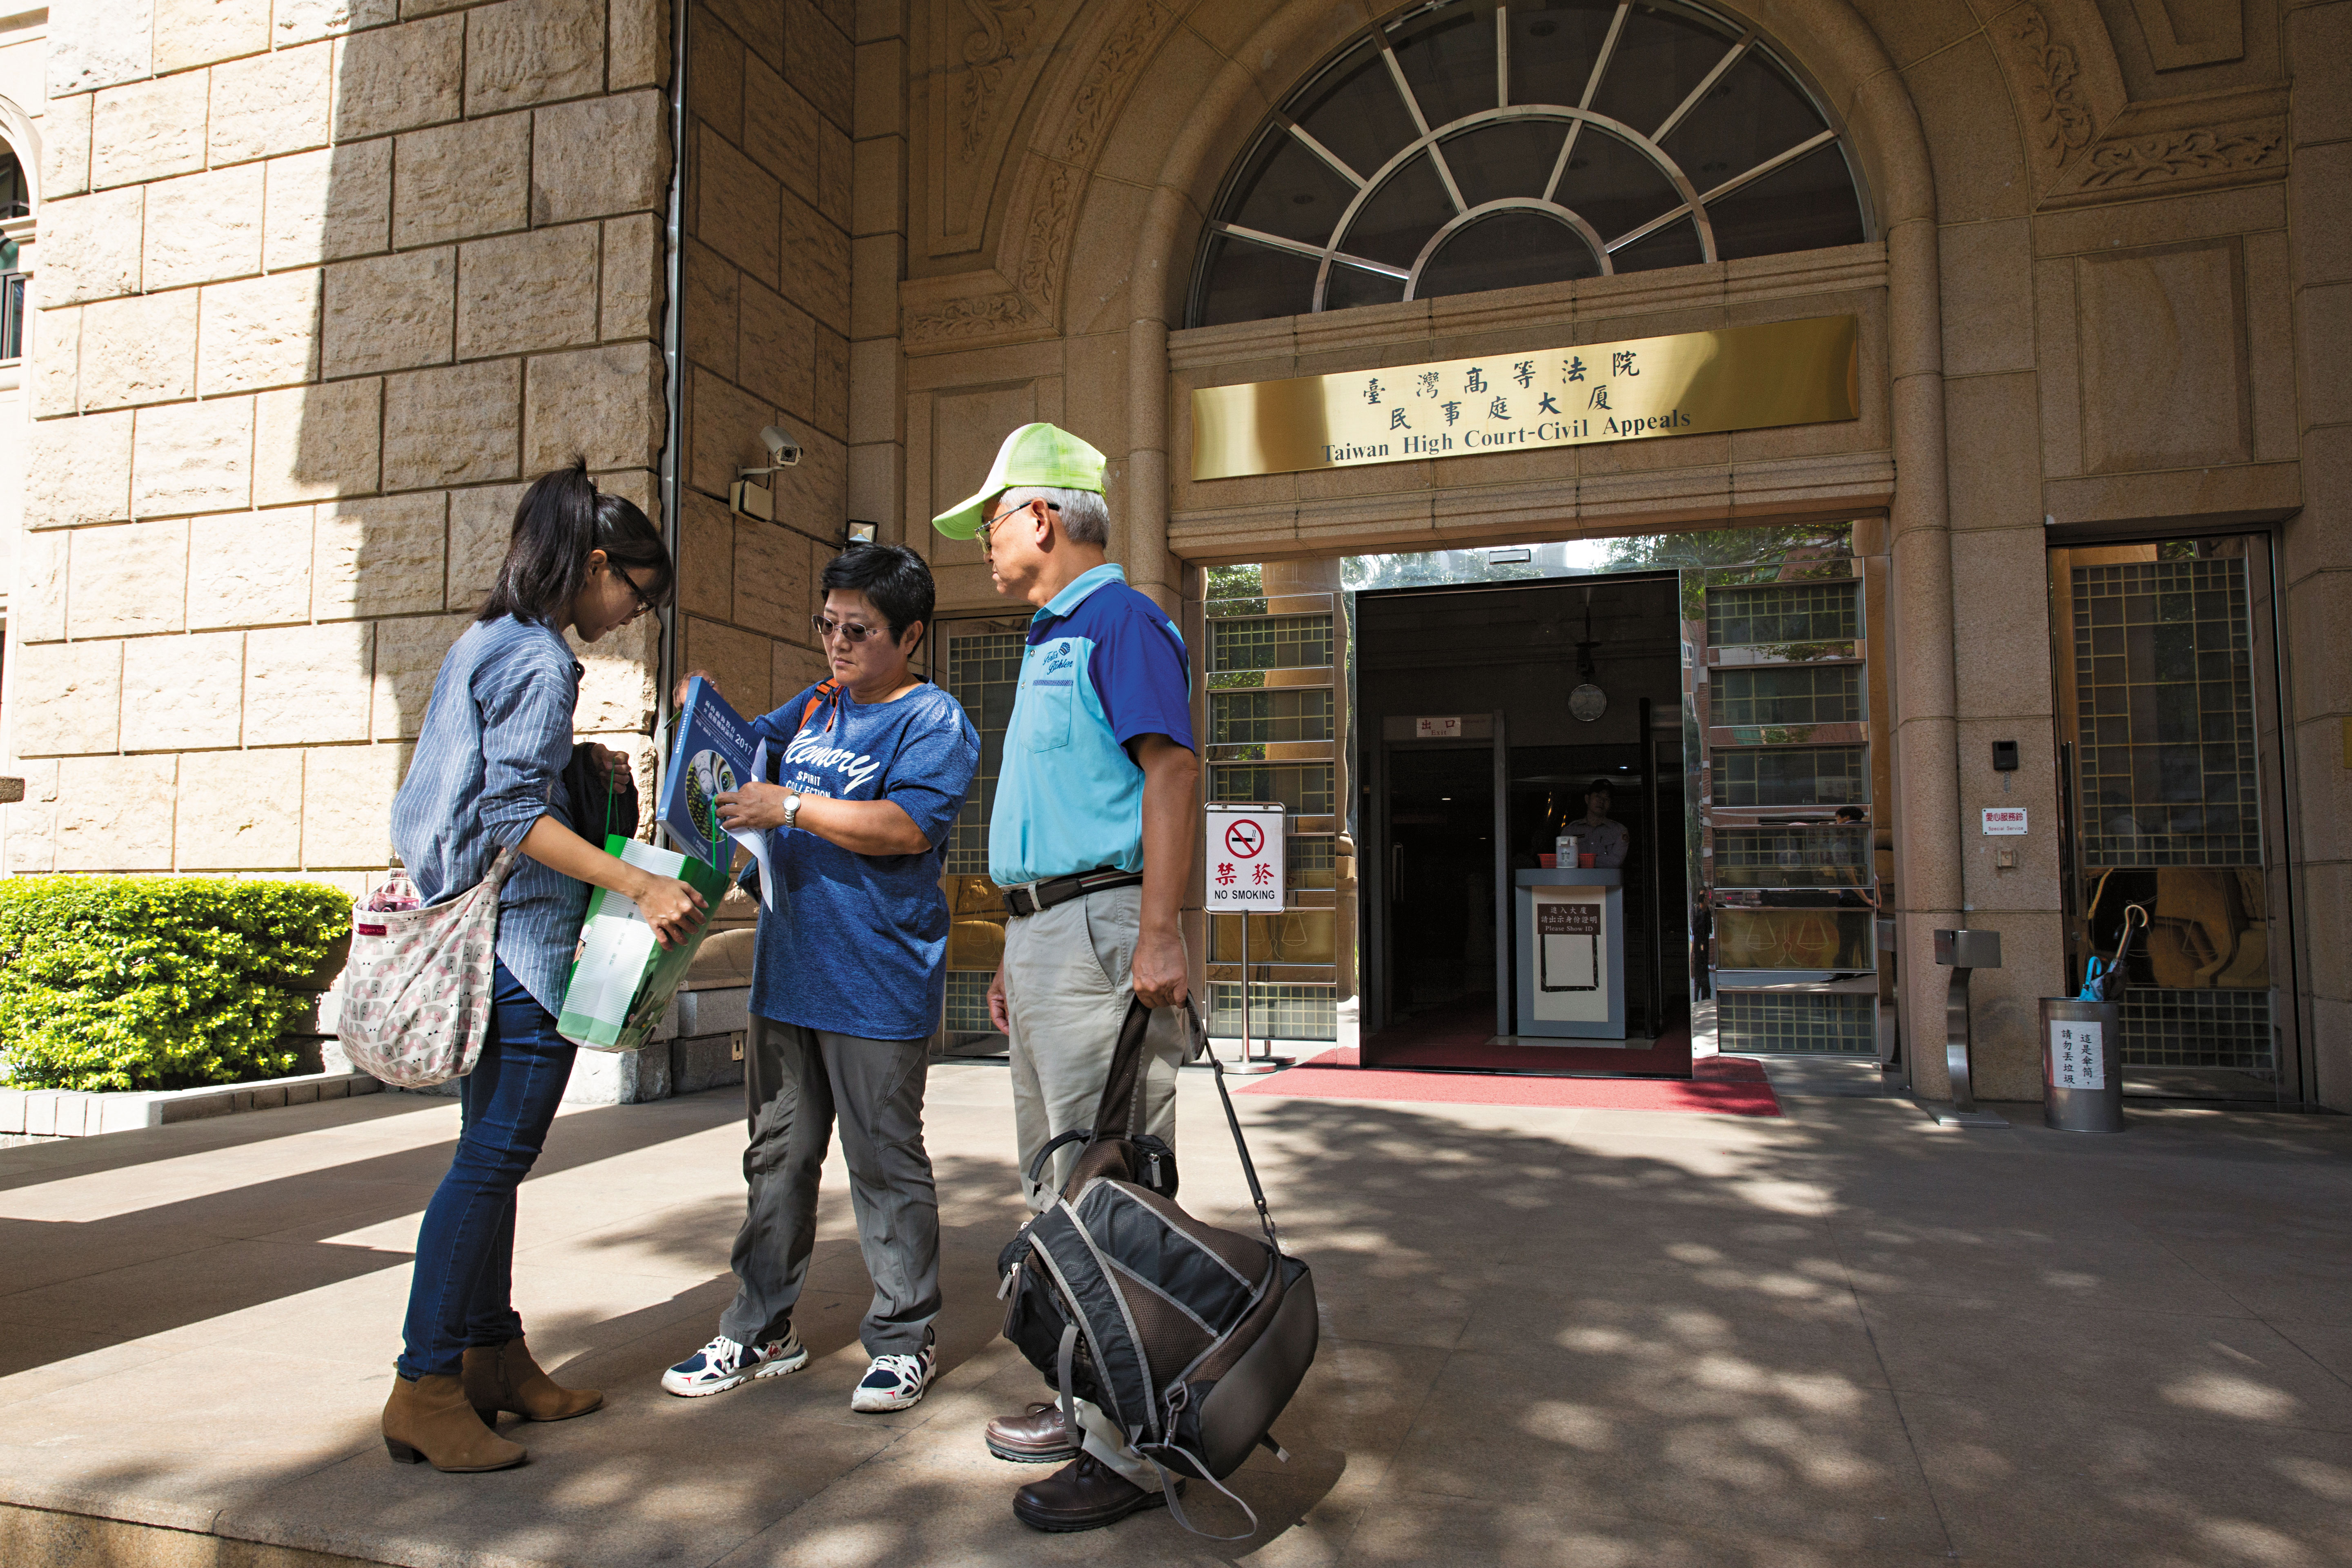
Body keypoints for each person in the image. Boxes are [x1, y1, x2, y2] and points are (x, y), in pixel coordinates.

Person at [383, 462, 708, 1473]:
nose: (634, 614)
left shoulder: (485, 639)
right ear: (596, 563)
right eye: (638, 595)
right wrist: (640, 884)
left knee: (490, 1159)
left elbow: (448, 803)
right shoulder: (538, 661)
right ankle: (424, 1384)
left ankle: (490, 1357)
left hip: (475, 942)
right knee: (487, 1167)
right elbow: (512, 818)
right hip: (521, 952)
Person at [931, 423, 1200, 1533]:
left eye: (992, 521)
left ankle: (1132, 1448)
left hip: (1100, 931)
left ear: (1043, 517)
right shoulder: (1056, 634)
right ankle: (1083, 1393)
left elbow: (1172, 771)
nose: (984, 545)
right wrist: (1012, 949)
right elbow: (1055, 811)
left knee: (1108, 1187)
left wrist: (1159, 932)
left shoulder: (1121, 619)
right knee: (1057, 1185)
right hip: (1054, 938)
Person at [660, 543, 979, 1416]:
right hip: (788, 973)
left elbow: (908, 827)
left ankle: (904, 1336)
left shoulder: (934, 721)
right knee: (776, 1159)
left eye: (860, 631)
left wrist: (793, 807)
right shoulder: (818, 705)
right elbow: (741, 753)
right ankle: (761, 1327)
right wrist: (705, 709)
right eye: (827, 625)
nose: (837, 645)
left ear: (910, 635)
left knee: (884, 1165)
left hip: (876, 980)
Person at [1566, 777, 1630, 869]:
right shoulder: (1571, 830)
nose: (1602, 801)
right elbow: (1564, 861)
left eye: (1606, 799)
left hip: (1606, 881)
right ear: (1587, 799)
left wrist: (1581, 861)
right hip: (1577, 881)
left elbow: (1616, 862)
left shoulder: (1619, 831)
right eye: (1598, 797)